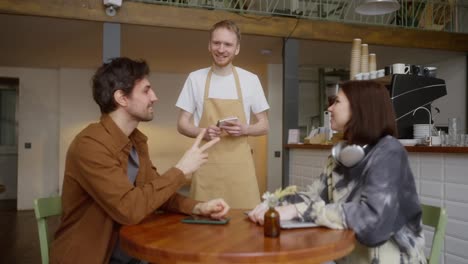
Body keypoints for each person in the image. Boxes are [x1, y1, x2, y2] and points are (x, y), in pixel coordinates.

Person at [50, 57, 230, 264]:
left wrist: (199, 207)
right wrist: (181, 170)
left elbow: (156, 192)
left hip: (132, 251)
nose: (154, 97)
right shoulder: (90, 145)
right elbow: (129, 209)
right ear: (122, 98)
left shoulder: (136, 140)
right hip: (93, 256)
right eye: (146, 90)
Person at [249, 80, 427, 264]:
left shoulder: (389, 151)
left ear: (360, 109)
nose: (330, 108)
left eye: (337, 102)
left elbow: (373, 223)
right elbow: (315, 196)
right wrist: (274, 205)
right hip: (346, 255)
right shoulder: (342, 153)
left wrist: (297, 210)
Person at [175, 20, 270, 209]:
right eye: (217, 43)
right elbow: (182, 124)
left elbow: (264, 125)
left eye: (228, 44)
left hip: (240, 170)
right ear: (209, 45)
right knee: (204, 228)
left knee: (244, 229)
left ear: (237, 49)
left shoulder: (250, 80)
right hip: (206, 167)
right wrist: (203, 132)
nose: (221, 49)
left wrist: (245, 129)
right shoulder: (195, 78)